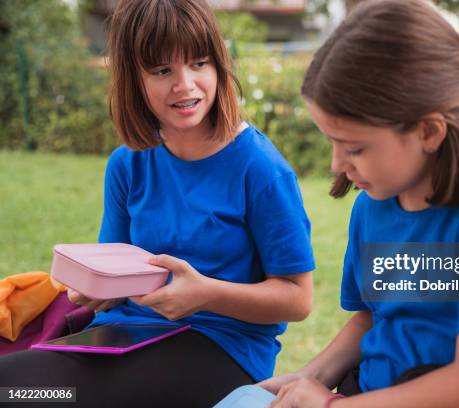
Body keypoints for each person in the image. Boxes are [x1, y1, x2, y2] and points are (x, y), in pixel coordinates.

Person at [0, 0, 314, 406]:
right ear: (134, 79)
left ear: (219, 65)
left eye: (199, 63)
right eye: (162, 70)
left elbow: (298, 299)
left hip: (221, 347)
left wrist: (206, 293)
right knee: (17, 387)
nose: (185, 84)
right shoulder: (127, 163)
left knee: (39, 394)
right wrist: (92, 289)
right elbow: (113, 275)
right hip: (124, 333)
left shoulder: (260, 169)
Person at [260, 0, 459, 407]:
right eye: (332, 142)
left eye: (355, 147)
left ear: (429, 132)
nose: (337, 165)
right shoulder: (374, 202)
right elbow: (372, 317)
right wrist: (305, 379)